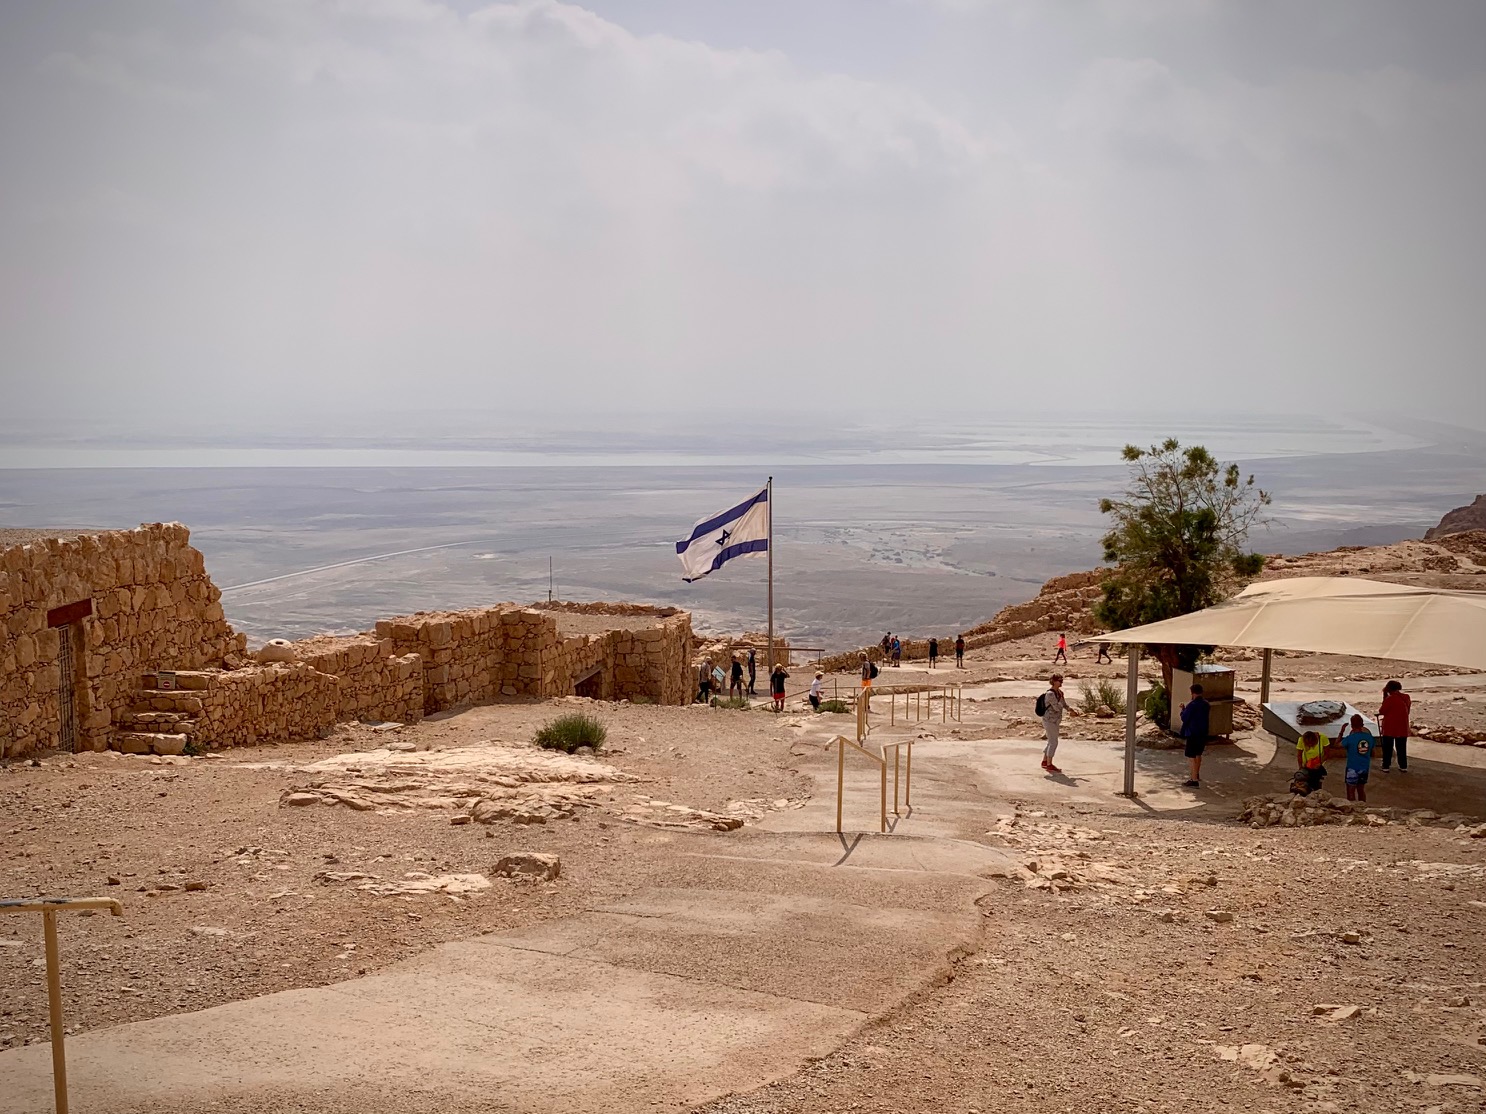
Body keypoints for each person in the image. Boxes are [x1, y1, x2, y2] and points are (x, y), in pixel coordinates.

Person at [1039, 674, 1078, 774]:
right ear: (1054, 681)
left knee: (1051, 741)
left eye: (1062, 680)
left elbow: (1064, 704)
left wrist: (1070, 710)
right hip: (1049, 720)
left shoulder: (1059, 692)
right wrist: (1063, 705)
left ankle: (1045, 761)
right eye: (1059, 681)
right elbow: (1057, 707)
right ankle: (1049, 764)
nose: (1061, 682)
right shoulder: (1050, 694)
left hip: (1055, 720)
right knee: (1054, 742)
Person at [1178, 683, 1210, 787]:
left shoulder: (1192, 705)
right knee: (1198, 754)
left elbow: (1184, 718)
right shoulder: (1206, 704)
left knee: (1191, 756)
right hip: (1203, 732)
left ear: (1193, 693)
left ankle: (1194, 779)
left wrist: (1183, 710)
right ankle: (1196, 774)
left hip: (1193, 732)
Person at [1339, 713, 1376, 802]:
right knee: (1361, 790)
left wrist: (1341, 732)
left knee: (1350, 792)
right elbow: (1373, 753)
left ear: (1352, 726)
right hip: (1364, 767)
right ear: (1362, 724)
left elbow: (1336, 745)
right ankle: (1362, 807)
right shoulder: (1369, 737)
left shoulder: (1350, 738)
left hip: (1352, 768)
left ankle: (1352, 808)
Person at [1378, 680, 1411, 772]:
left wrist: (1385, 697)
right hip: (1403, 726)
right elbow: (1407, 710)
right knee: (1401, 748)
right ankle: (1403, 766)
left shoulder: (1390, 699)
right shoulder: (1406, 697)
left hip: (1390, 727)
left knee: (1387, 748)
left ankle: (1386, 766)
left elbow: (1382, 711)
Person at [1296, 729, 1326, 795]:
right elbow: (1299, 755)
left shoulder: (1322, 738)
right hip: (1306, 765)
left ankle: (1315, 792)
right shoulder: (1301, 739)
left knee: (1315, 781)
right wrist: (1300, 767)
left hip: (1317, 766)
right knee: (1302, 778)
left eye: (1311, 743)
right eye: (1308, 744)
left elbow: (1327, 753)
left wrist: (1320, 763)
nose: (1309, 745)